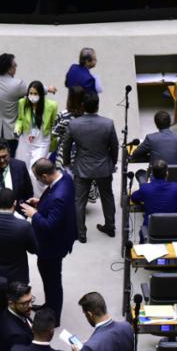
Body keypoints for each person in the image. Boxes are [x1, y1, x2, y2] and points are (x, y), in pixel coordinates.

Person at [20, 158, 77, 323]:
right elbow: (53, 203)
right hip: (55, 240)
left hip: (53, 246)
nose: (39, 181)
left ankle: (54, 316)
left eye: (38, 178)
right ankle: (49, 305)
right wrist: (41, 203)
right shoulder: (64, 177)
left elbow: (49, 225)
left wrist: (34, 214)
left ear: (45, 176)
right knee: (50, 280)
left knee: (52, 280)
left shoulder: (59, 196)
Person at [61, 90, 118, 241]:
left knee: (79, 201)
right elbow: (115, 146)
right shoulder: (108, 123)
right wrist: (112, 163)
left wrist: (67, 163)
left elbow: (66, 146)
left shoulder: (74, 124)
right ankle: (110, 227)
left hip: (82, 167)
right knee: (107, 197)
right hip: (103, 167)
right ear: (98, 106)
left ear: (82, 106)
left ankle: (81, 234)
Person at [130, 160, 177, 241]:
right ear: (167, 173)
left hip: (152, 232)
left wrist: (144, 204)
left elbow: (133, 198)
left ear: (152, 174)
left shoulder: (145, 188)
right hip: (175, 231)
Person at [15, 80, 60, 173]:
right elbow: (20, 119)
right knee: (22, 167)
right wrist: (17, 129)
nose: (32, 96)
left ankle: (36, 187)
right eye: (30, 93)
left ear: (41, 94)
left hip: (42, 141)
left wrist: (54, 139)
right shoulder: (22, 103)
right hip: (26, 140)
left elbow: (53, 124)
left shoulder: (51, 106)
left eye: (35, 93)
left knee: (36, 169)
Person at [0, 281, 34, 351]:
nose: (30, 306)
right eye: (25, 303)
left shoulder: (18, 312)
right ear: (11, 303)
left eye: (31, 300)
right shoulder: (17, 336)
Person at [52, 86, 86, 169]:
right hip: (81, 157)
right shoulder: (86, 117)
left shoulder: (63, 115)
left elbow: (54, 133)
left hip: (63, 156)